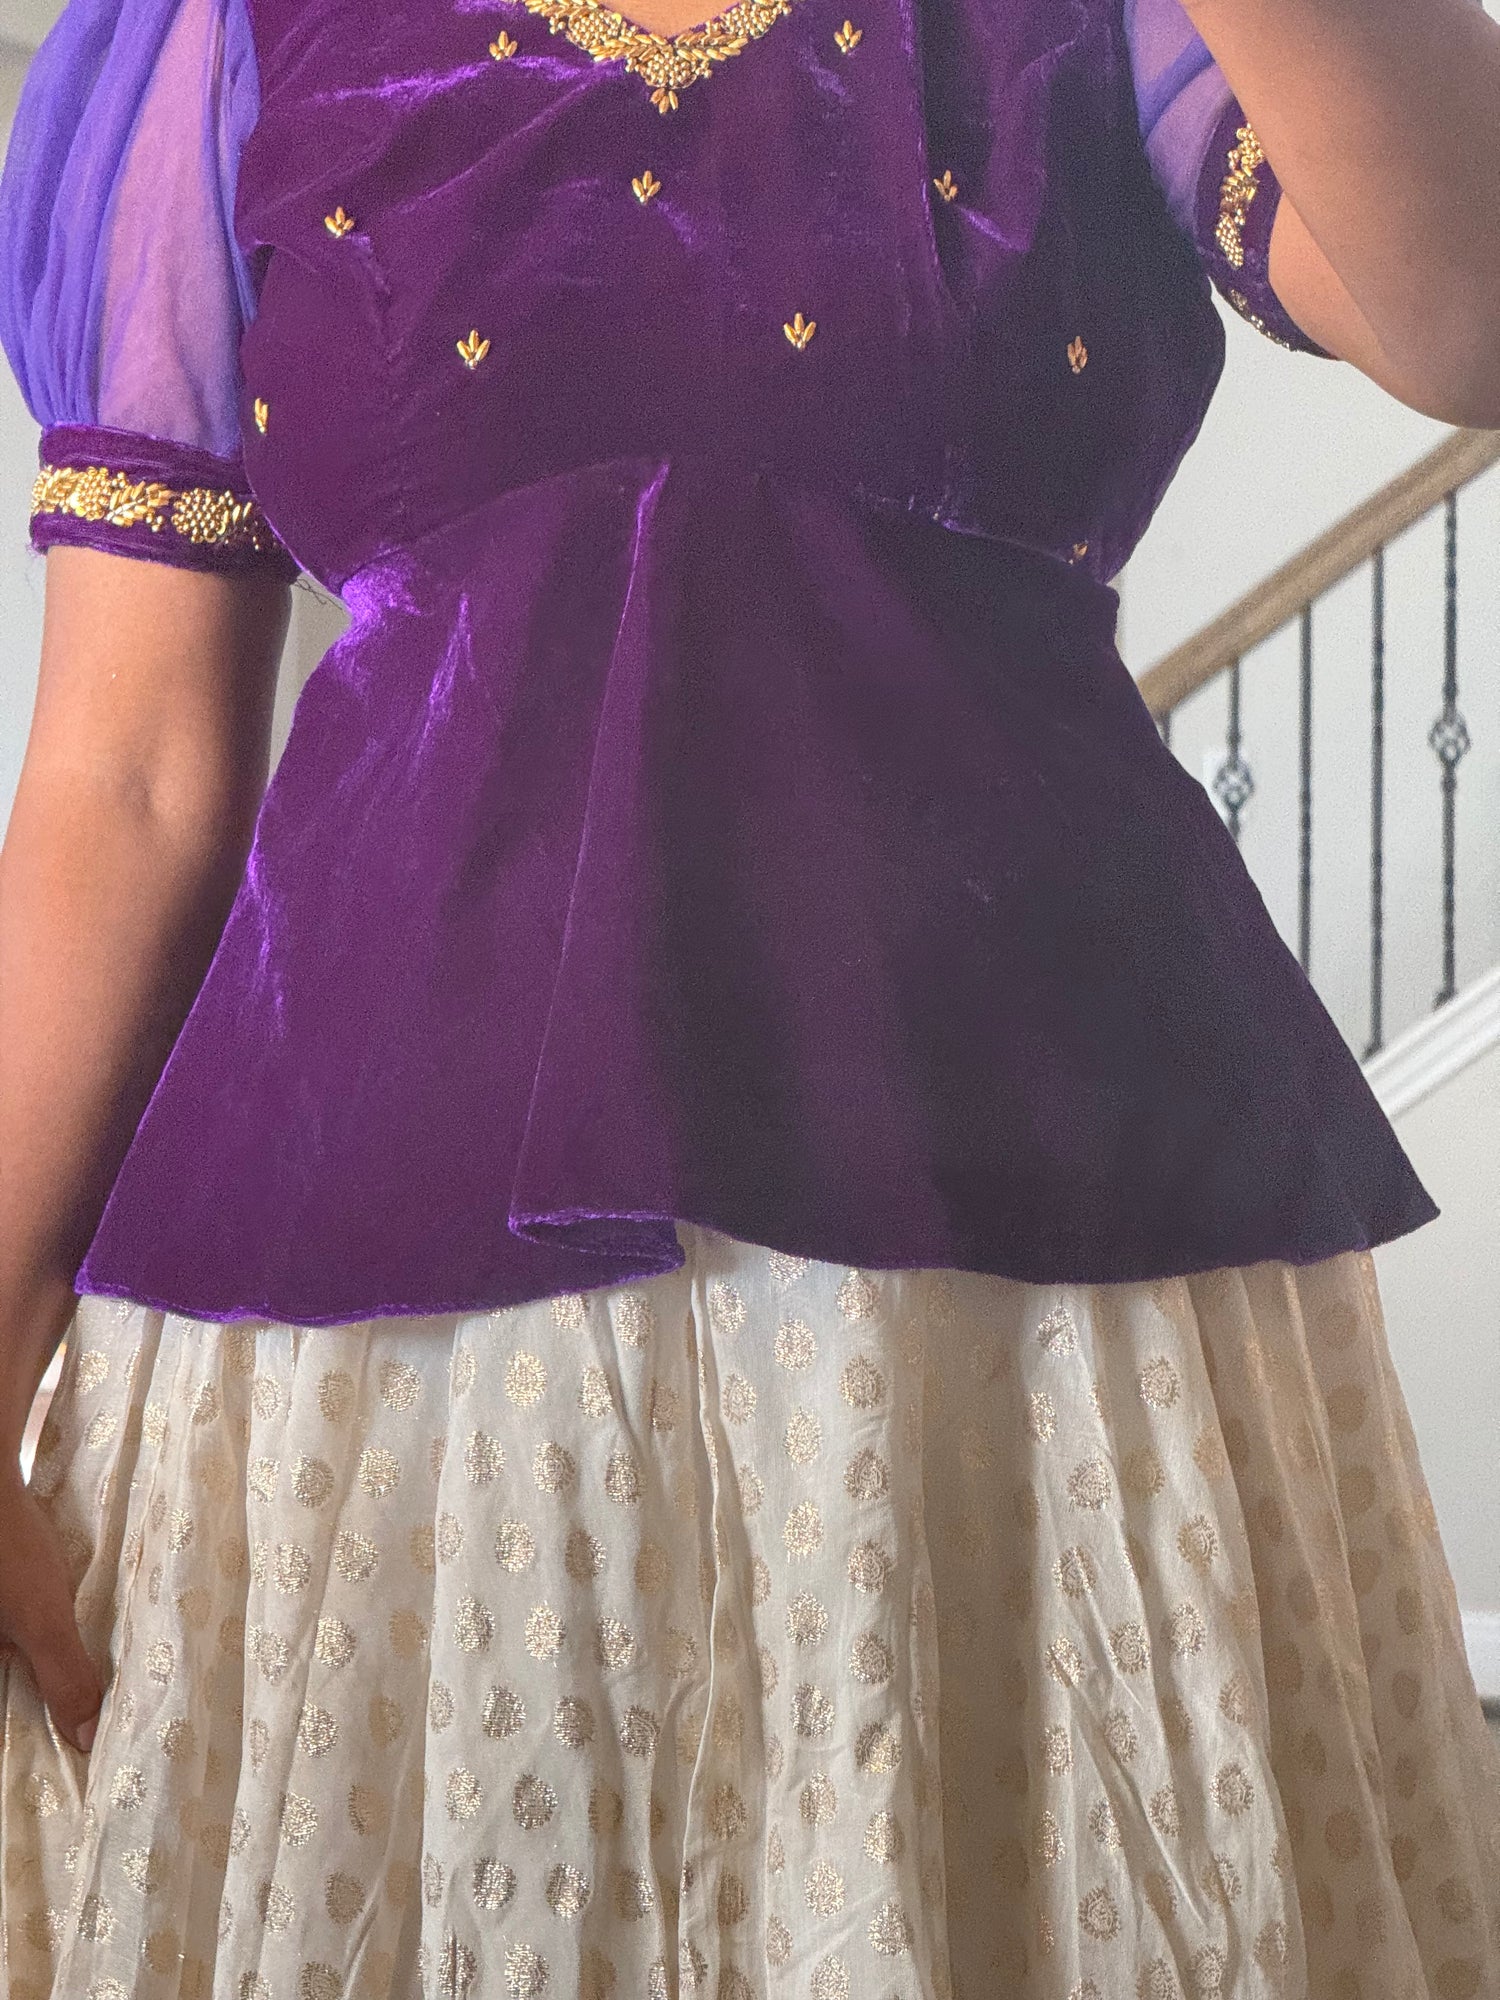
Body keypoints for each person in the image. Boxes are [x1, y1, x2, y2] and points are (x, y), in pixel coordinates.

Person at [0, 0, 1498, 1985]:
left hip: (1044, 1275)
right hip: (373, 1301)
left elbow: (1468, 312)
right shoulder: (214, 33)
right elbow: (127, 777)